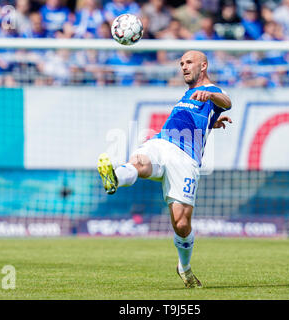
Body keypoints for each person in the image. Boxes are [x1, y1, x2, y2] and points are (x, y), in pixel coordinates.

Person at [97, 50, 232, 288]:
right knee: (139, 161)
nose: (183, 67)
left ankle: (185, 267)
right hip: (162, 142)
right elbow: (197, 119)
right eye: (181, 63)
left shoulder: (214, 91)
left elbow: (228, 103)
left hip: (185, 159)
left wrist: (211, 98)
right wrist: (211, 121)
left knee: (181, 224)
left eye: (189, 62)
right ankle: (114, 177)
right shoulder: (188, 94)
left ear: (203, 66)